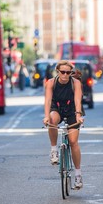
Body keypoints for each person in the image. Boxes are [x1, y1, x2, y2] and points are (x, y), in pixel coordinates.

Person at [43, 60, 85, 189]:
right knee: (52, 120)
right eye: (63, 72)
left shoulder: (76, 83)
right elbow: (48, 101)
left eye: (68, 72)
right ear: (57, 72)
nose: (65, 75)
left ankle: (78, 175)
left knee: (73, 142)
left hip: (72, 109)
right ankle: (54, 150)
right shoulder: (51, 83)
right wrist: (46, 116)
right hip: (57, 108)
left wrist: (78, 115)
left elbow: (78, 100)